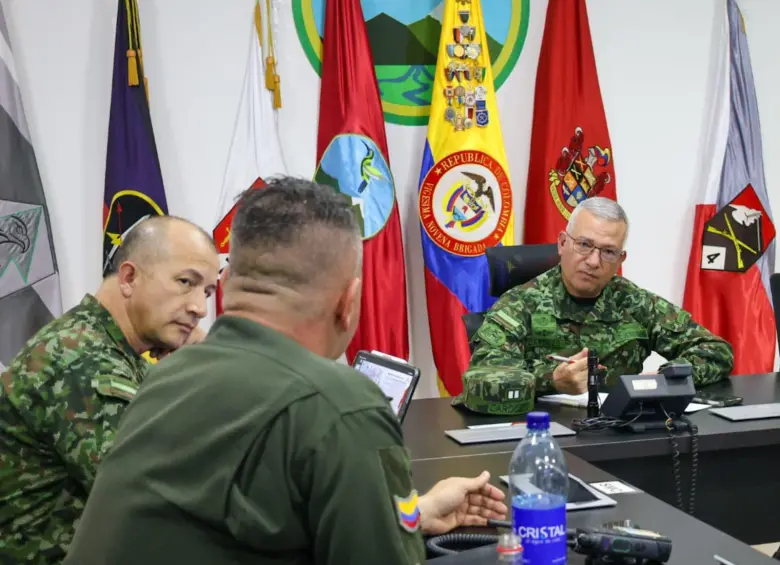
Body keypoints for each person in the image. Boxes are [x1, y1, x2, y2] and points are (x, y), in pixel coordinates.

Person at [63, 177, 507, 565]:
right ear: (348, 302)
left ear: (230, 282)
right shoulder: (339, 406)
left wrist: (412, 513)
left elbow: (241, 522)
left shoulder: (167, 378)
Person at [0, 216, 219, 565]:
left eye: (206, 291)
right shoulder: (80, 357)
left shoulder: (114, 353)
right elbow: (162, 502)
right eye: (185, 282)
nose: (199, 308)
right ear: (129, 277)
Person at [455, 197, 734, 415]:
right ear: (563, 243)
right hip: (543, 434)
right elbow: (483, 380)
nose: (593, 261)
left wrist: (665, 377)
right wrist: (551, 379)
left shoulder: (634, 302)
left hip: (620, 433)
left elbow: (716, 351)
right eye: (585, 245)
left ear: (620, 258)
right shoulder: (519, 305)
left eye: (608, 251)